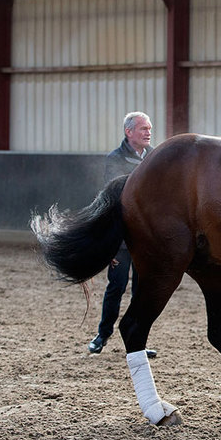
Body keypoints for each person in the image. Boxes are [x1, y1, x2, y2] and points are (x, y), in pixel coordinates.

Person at [88, 111, 157, 357]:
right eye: (143, 129)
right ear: (129, 132)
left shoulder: (155, 157)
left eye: (149, 129)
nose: (149, 133)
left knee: (142, 292)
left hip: (146, 239)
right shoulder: (114, 159)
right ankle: (103, 334)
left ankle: (137, 340)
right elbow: (112, 200)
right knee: (116, 287)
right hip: (123, 240)